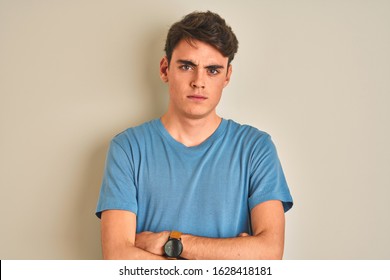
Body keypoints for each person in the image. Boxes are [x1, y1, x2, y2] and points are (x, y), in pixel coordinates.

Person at [96, 11, 293, 260]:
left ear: (227, 76)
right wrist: (232, 255)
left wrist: (171, 242)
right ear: (165, 69)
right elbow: (117, 258)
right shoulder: (128, 148)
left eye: (212, 70)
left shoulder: (256, 148)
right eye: (187, 66)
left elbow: (269, 254)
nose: (198, 81)